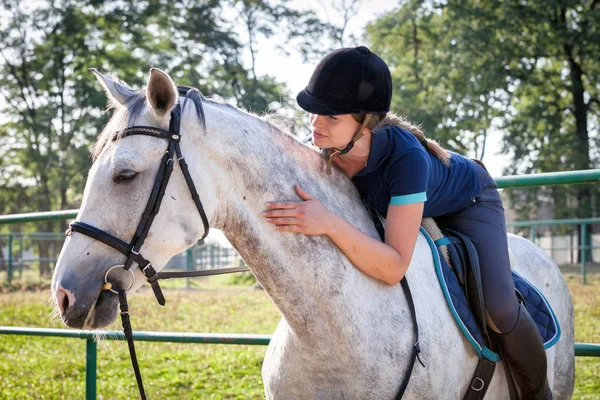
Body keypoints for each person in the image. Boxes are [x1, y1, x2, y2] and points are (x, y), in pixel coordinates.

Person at [263, 46, 551, 399]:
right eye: (313, 114)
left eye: (331, 118)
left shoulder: (406, 159)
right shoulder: (326, 148)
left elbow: (394, 266)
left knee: (500, 307)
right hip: (408, 200)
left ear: (365, 123)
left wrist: (330, 223)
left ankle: (540, 393)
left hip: (469, 201)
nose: (316, 125)